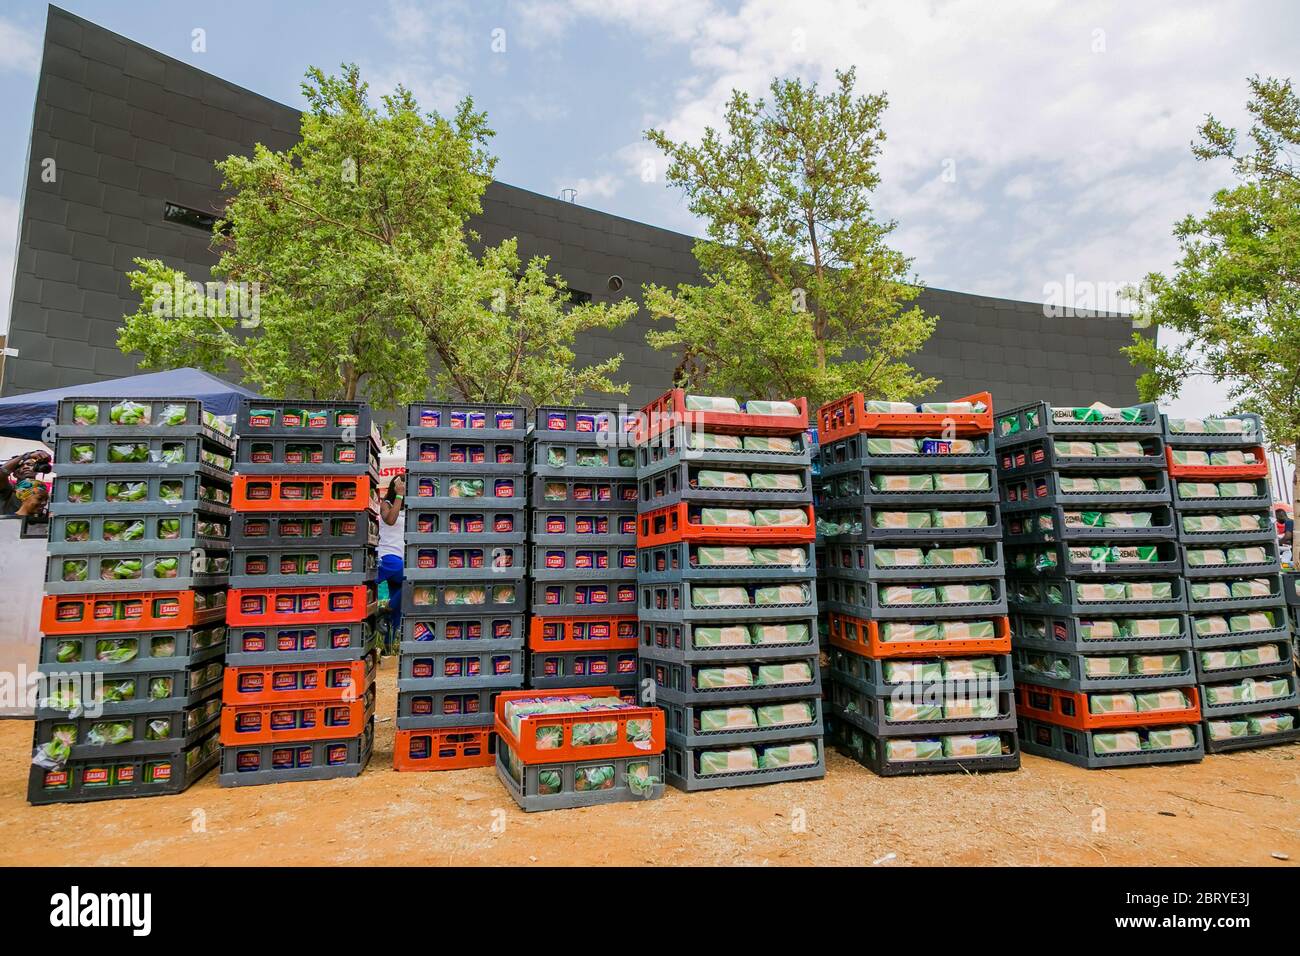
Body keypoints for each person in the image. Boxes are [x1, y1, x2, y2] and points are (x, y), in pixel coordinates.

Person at [376, 475, 405, 654]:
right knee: (412, 580)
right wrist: (399, 496)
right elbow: (390, 520)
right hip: (388, 557)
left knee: (399, 606)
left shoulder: (410, 507)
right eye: (402, 485)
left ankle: (388, 648)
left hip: (402, 558)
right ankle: (384, 610)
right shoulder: (386, 503)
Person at [0, 450, 51, 517]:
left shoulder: (43, 490)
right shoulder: (9, 489)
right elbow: (2, 473)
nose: (25, 467)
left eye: (30, 464)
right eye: (19, 466)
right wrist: (27, 456)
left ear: (37, 470)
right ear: (14, 473)